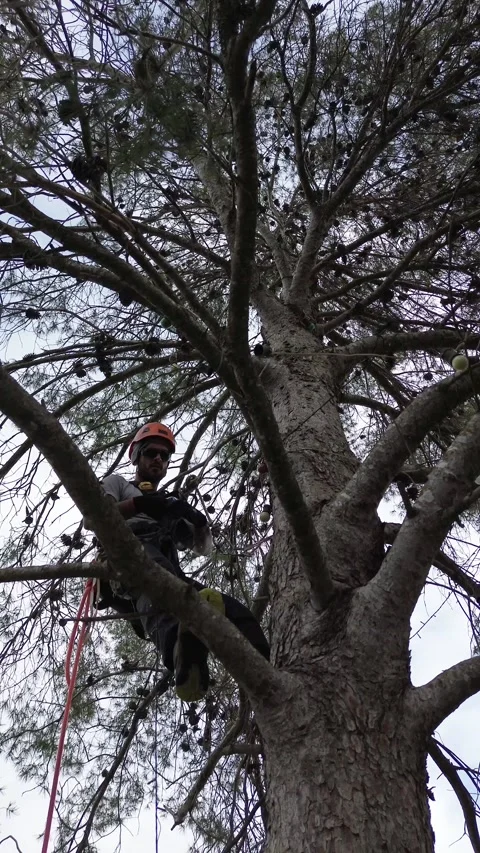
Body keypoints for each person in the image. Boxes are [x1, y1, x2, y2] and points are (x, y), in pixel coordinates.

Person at [92, 422, 269, 702]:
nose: (159, 460)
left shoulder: (168, 501)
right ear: (137, 455)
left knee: (230, 609)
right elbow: (94, 517)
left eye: (165, 456)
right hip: (126, 557)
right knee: (161, 595)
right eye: (152, 453)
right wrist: (141, 505)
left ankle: (265, 665)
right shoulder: (119, 484)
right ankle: (184, 666)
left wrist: (194, 522)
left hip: (167, 567)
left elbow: (201, 548)